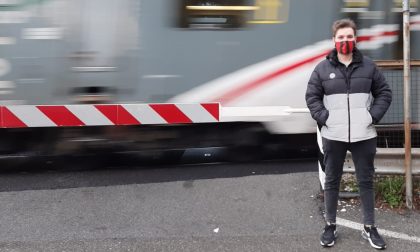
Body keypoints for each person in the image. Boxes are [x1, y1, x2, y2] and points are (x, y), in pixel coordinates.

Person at [305, 19, 392, 250]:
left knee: (366, 181)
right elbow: (311, 97)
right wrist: (325, 118)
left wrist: (372, 117)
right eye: (341, 37)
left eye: (349, 37)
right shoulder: (322, 69)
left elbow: (384, 92)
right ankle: (330, 225)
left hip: (364, 134)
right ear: (334, 40)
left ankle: (370, 227)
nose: (345, 41)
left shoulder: (369, 67)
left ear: (355, 39)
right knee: (332, 180)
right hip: (333, 134)